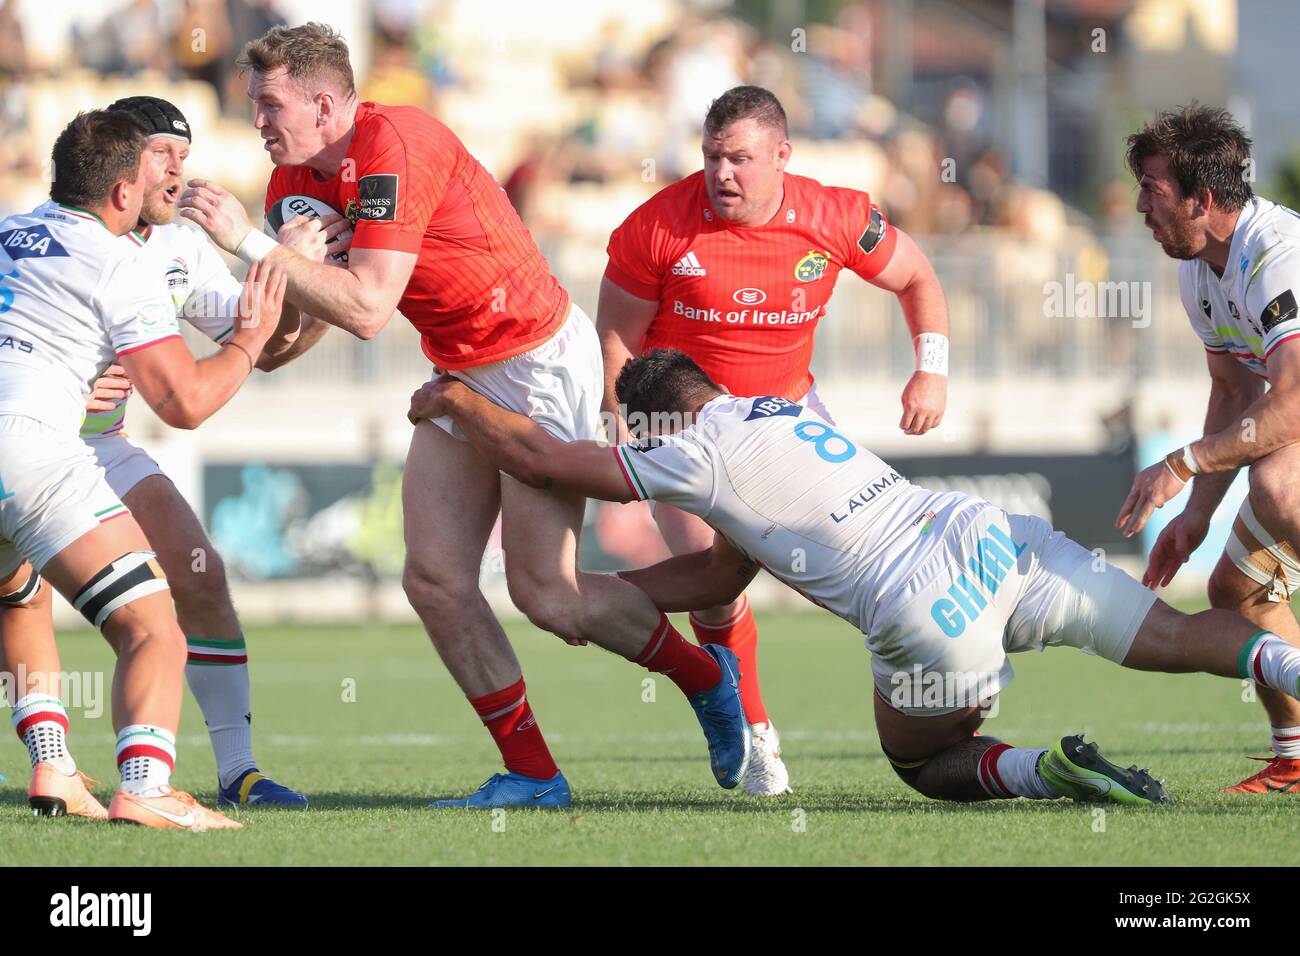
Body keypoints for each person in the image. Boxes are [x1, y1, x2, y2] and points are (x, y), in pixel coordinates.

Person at [177, 22, 749, 807]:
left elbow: (372, 309)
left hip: (535, 359)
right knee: (436, 579)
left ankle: (702, 676)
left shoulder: (393, 145)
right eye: (253, 105)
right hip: (460, 366)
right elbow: (284, 343)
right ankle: (536, 776)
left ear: (322, 101)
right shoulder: (290, 189)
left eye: (270, 104)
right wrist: (288, 270)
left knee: (550, 598)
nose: (258, 121)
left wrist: (248, 243)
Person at [408, 348, 1300, 806]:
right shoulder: (773, 409)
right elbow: (725, 567)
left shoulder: (690, 451)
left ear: (651, 424)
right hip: (989, 537)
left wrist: (456, 398)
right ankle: (1291, 668)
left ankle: (1050, 773)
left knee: (924, 762)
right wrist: (614, 599)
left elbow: (541, 458)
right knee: (1180, 635)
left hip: (924, 607)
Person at [598, 85, 949, 794]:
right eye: (711, 158)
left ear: (783, 156)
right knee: (715, 591)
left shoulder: (836, 216)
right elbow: (615, 342)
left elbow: (916, 276)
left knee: (860, 572)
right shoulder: (656, 226)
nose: (721, 174)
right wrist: (628, 442)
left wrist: (931, 372)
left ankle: (949, 684)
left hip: (789, 419)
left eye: (740, 159)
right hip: (683, 431)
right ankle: (757, 734)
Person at [0, 95, 314, 808]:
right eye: (162, 156)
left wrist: (287, 279)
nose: (178, 173)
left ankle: (239, 771)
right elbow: (190, 397)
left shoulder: (172, 245)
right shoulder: (105, 252)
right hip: (48, 445)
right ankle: (122, 780)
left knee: (198, 578)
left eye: (186, 156)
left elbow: (269, 346)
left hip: (92, 444)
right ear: (120, 170)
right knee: (116, 614)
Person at [1118, 104, 1300, 793]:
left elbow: (1291, 403)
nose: (1141, 206)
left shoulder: (1278, 256)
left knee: (1279, 485)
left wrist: (1180, 461)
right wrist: (1195, 515)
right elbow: (1231, 393)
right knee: (1237, 589)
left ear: (1203, 199)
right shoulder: (1198, 265)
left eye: (1153, 190)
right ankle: (1298, 755)